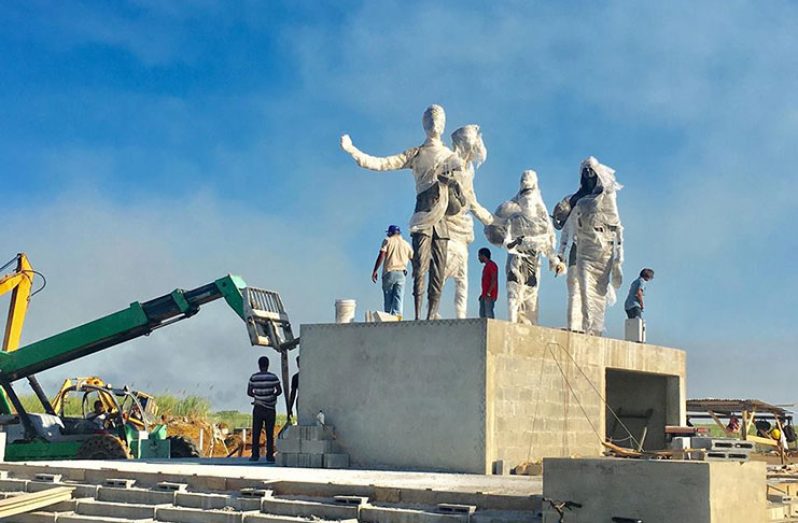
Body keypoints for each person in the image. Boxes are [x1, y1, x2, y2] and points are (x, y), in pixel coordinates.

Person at [341, 104, 465, 320]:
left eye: (438, 118)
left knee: (438, 271)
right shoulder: (416, 154)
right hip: (421, 218)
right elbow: (381, 163)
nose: (435, 122)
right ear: (424, 124)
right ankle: (418, 317)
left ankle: (431, 315)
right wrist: (353, 151)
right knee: (420, 269)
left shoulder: (451, 157)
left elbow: (460, 202)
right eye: (431, 118)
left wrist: (453, 185)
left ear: (443, 124)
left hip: (442, 221)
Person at [555, 156, 624, 335]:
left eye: (591, 170)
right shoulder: (575, 198)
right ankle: (581, 327)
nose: (587, 174)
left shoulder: (607, 195)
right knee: (580, 287)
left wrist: (619, 256)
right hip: (582, 248)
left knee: (598, 291)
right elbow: (565, 227)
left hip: (603, 249)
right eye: (584, 171)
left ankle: (596, 329)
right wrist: (560, 253)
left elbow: (616, 224)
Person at [485, 170, 561, 324]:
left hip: (532, 258)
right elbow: (493, 228)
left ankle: (525, 327)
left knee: (530, 294)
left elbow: (549, 238)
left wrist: (554, 261)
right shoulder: (512, 209)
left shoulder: (539, 211)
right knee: (514, 290)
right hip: (517, 255)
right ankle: (513, 324)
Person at [440, 125, 494, 319]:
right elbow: (467, 200)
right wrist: (490, 220)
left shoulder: (467, 170)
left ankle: (460, 316)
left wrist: (490, 220)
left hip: (461, 231)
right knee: (444, 272)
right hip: (449, 229)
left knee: (461, 278)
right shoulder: (449, 165)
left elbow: (471, 199)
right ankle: (434, 310)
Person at [372, 225, 414, 317]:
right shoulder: (406, 244)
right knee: (399, 297)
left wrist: (375, 270)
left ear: (390, 233)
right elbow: (413, 259)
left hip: (389, 272)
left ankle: (387, 317)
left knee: (388, 298)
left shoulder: (387, 240)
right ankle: (397, 317)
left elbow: (382, 255)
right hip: (401, 273)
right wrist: (415, 271)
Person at [247, 356, 282, 463]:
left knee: (256, 432)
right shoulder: (273, 377)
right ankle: (270, 456)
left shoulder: (253, 377)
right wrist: (271, 395)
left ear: (259, 365)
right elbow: (279, 391)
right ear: (268, 365)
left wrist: (258, 396)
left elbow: (249, 392)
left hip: (258, 408)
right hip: (270, 408)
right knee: (269, 433)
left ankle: (255, 455)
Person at [478, 248, 498, 318]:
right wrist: (483, 294)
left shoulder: (491, 265)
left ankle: (492, 328)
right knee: (482, 315)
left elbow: (493, 280)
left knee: (488, 313)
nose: (479, 258)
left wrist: (489, 293)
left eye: (479, 256)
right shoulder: (486, 266)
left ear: (483, 256)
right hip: (485, 295)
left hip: (489, 295)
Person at [287, 355, 300, 423]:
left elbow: (293, 394)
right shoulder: (310, 376)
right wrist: (290, 408)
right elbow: (293, 394)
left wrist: (290, 408)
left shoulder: (296, 377)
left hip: (300, 400)